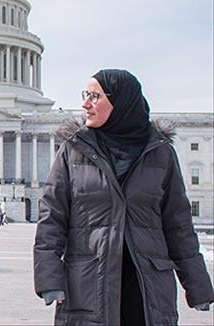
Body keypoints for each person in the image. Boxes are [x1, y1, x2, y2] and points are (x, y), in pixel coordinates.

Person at [34, 69, 214, 325]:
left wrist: (198, 287)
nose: (85, 104)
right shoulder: (73, 150)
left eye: (94, 96)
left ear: (119, 102)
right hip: (90, 284)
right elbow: (52, 219)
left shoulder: (160, 153)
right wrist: (49, 279)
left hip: (146, 286)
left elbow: (178, 225)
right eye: (85, 95)